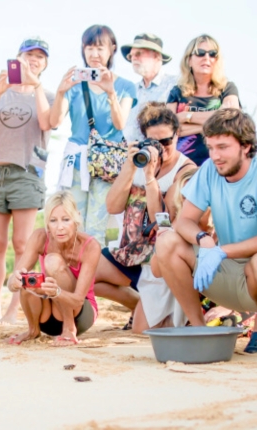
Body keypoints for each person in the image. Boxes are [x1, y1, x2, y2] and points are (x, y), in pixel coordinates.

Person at [154, 109, 257, 354]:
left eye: (222, 147)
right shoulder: (209, 170)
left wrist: (220, 251)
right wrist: (203, 241)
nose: (215, 156)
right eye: (211, 148)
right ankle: (200, 330)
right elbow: (183, 222)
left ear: (245, 146)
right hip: (227, 273)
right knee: (167, 242)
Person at [93, 102, 195, 331]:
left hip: (160, 261)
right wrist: (130, 167)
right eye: (153, 142)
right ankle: (136, 301)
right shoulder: (139, 161)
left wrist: (150, 179)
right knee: (86, 272)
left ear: (177, 136)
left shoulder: (186, 170)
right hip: (131, 252)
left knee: (143, 332)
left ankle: (152, 309)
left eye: (166, 141)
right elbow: (113, 206)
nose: (161, 148)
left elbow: (162, 220)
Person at [0, 37, 54, 325]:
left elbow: (47, 123)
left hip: (28, 172)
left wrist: (33, 85)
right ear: (17, 58)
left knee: (22, 243)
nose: (33, 60)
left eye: (39, 57)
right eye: (28, 55)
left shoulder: (45, 94)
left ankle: (15, 306)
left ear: (45, 63)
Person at [50, 25, 137, 246]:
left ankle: (93, 278)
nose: (94, 54)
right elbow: (54, 122)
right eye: (89, 48)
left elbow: (119, 123)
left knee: (98, 228)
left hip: (106, 166)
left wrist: (110, 92)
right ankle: (74, 277)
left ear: (112, 49)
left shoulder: (125, 86)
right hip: (77, 163)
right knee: (72, 224)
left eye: (100, 48)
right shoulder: (75, 84)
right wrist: (61, 91)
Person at [7, 191, 101, 346]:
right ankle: (33, 330)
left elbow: (78, 300)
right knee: (28, 279)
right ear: (47, 223)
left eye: (66, 220)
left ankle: (69, 329)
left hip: (80, 313)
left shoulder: (90, 246)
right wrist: (16, 281)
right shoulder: (40, 237)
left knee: (52, 260)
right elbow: (12, 283)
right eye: (53, 221)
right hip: (48, 316)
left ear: (76, 218)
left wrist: (56, 292)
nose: (60, 227)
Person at [167, 34, 240, 166]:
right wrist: (216, 122)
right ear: (189, 60)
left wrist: (185, 116)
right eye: (200, 53)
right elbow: (168, 129)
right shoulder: (177, 92)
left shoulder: (227, 88)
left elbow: (232, 120)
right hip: (182, 167)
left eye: (213, 54)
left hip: (219, 165)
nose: (207, 58)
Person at [121, 33, 176, 142]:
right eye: (131, 55)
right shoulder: (130, 90)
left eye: (139, 53)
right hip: (130, 154)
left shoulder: (175, 85)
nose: (133, 58)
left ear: (157, 56)